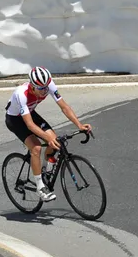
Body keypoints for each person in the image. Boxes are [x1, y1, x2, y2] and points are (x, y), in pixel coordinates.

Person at [5, 67, 92, 201]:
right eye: (41, 89)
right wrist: (47, 138)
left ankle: (45, 171)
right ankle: (40, 188)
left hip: (30, 113)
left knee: (55, 140)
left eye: (46, 88)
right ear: (33, 86)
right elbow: (29, 125)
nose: (45, 91)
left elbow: (64, 107)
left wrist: (79, 124)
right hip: (15, 119)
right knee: (36, 148)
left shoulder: (48, 84)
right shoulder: (21, 94)